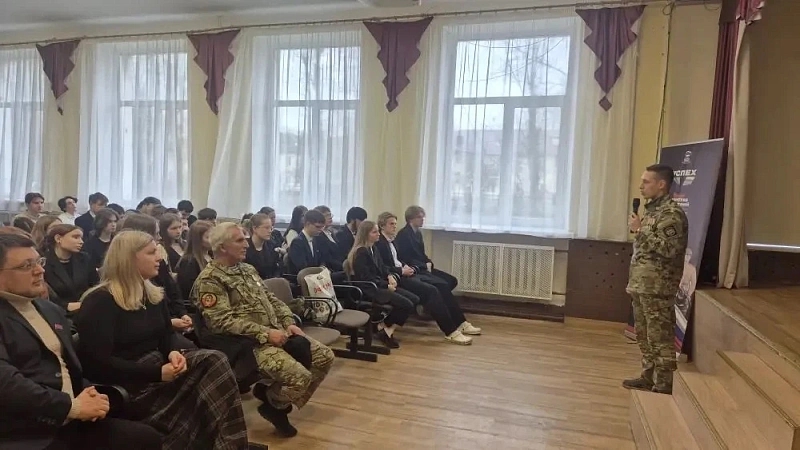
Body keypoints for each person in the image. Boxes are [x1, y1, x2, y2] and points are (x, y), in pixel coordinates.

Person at [75, 230, 265, 449]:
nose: (159, 257)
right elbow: (99, 364)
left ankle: (229, 443)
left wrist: (172, 352)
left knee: (214, 360)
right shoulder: (99, 301)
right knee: (211, 367)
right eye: (151, 252)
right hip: (130, 382)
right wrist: (157, 373)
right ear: (129, 259)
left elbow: (166, 335)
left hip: (159, 368)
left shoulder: (152, 294)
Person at [0, 232, 163, 450]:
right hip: (25, 429)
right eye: (26, 266)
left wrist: (90, 394)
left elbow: (68, 367)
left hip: (70, 416)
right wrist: (72, 407)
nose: (40, 270)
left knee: (146, 437)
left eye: (39, 262)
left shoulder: (49, 310)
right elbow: (7, 384)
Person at [192, 223, 335, 438]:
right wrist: (265, 333)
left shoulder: (247, 269)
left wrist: (288, 321)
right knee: (300, 378)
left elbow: (271, 299)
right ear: (222, 247)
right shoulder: (210, 280)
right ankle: (276, 402)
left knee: (325, 357)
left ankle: (274, 402)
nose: (246, 244)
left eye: (245, 239)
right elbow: (220, 322)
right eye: (239, 240)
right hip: (249, 344)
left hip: (278, 332)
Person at [624, 164, 688, 395]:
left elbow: (669, 250)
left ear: (661, 184)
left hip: (658, 287)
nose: (641, 186)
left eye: (646, 182)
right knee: (644, 335)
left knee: (660, 337)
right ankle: (648, 376)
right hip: (642, 284)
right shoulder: (651, 211)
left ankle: (664, 383)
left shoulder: (671, 214)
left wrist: (640, 230)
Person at [375, 212, 479, 344]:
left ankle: (460, 323)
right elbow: (383, 267)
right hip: (396, 278)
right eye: (391, 224)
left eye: (395, 224)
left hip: (405, 272)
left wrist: (406, 266)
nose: (395, 226)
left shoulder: (392, 240)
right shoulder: (379, 243)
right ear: (382, 226)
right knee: (432, 291)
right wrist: (402, 270)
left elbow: (398, 260)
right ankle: (450, 331)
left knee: (441, 286)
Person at [347, 220, 418, 349]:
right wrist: (386, 285)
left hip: (378, 285)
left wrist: (390, 276)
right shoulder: (361, 252)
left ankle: (384, 327)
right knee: (406, 304)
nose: (378, 234)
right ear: (366, 234)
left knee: (414, 299)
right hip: (369, 289)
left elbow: (382, 267)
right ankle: (385, 330)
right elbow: (366, 278)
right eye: (374, 232)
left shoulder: (373, 248)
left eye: (378, 231)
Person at [394, 205, 459, 292]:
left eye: (423, 217)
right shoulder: (404, 234)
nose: (422, 219)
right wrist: (424, 265)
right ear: (410, 219)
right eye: (419, 217)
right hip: (415, 269)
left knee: (452, 280)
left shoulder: (418, 233)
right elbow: (406, 258)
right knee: (443, 284)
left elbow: (421, 253)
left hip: (422, 266)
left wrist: (429, 262)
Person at [42, 225, 99, 316]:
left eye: (81, 238)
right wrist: (67, 306)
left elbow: (95, 285)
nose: (81, 242)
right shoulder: (44, 263)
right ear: (58, 238)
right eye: (75, 237)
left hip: (86, 310)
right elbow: (44, 298)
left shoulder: (84, 259)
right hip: (57, 313)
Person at [176, 220, 215, 299]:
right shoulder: (189, 262)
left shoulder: (211, 256)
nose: (213, 240)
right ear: (198, 240)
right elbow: (189, 289)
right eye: (208, 237)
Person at [245, 213, 282, 280]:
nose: (270, 231)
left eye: (271, 228)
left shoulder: (272, 246)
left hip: (270, 282)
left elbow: (276, 269)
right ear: (255, 228)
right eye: (266, 228)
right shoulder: (244, 247)